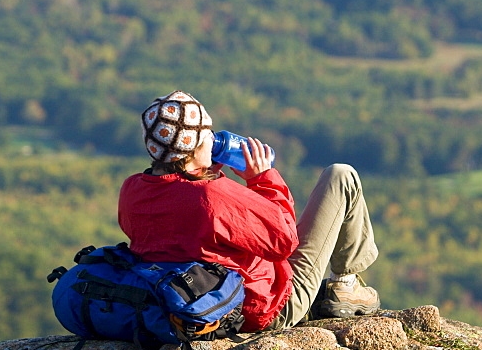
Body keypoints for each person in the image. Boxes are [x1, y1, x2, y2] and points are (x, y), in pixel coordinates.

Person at [117, 90, 379, 332]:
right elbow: (284, 241)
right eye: (206, 132)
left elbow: (179, 227)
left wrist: (203, 174)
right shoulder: (212, 195)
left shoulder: (132, 189)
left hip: (197, 304)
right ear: (194, 148)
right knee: (341, 176)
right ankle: (345, 284)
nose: (212, 137)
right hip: (262, 309)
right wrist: (263, 178)